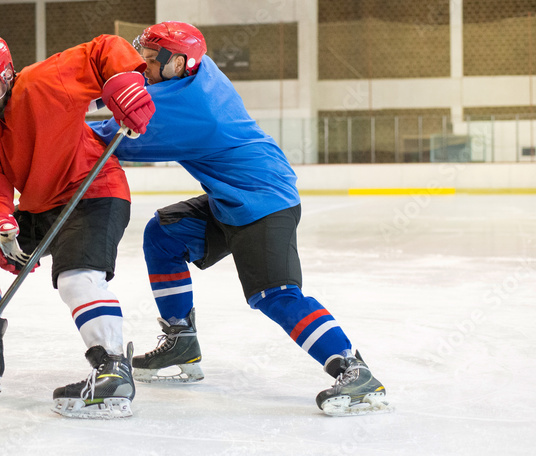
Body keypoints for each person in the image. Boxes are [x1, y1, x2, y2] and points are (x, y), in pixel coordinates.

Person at [88, 22, 389, 416]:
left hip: (264, 200)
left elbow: (106, 142)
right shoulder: (199, 69)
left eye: (149, 61)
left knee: (275, 294)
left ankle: (354, 370)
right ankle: (181, 340)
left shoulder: (190, 110)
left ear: (177, 62)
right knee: (164, 235)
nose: (143, 69)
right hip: (232, 198)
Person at [0, 33, 155, 419]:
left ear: (5, 76)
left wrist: (124, 80)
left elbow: (103, 50)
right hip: (41, 205)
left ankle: (113, 368)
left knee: (76, 278)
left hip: (94, 190)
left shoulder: (45, 81)